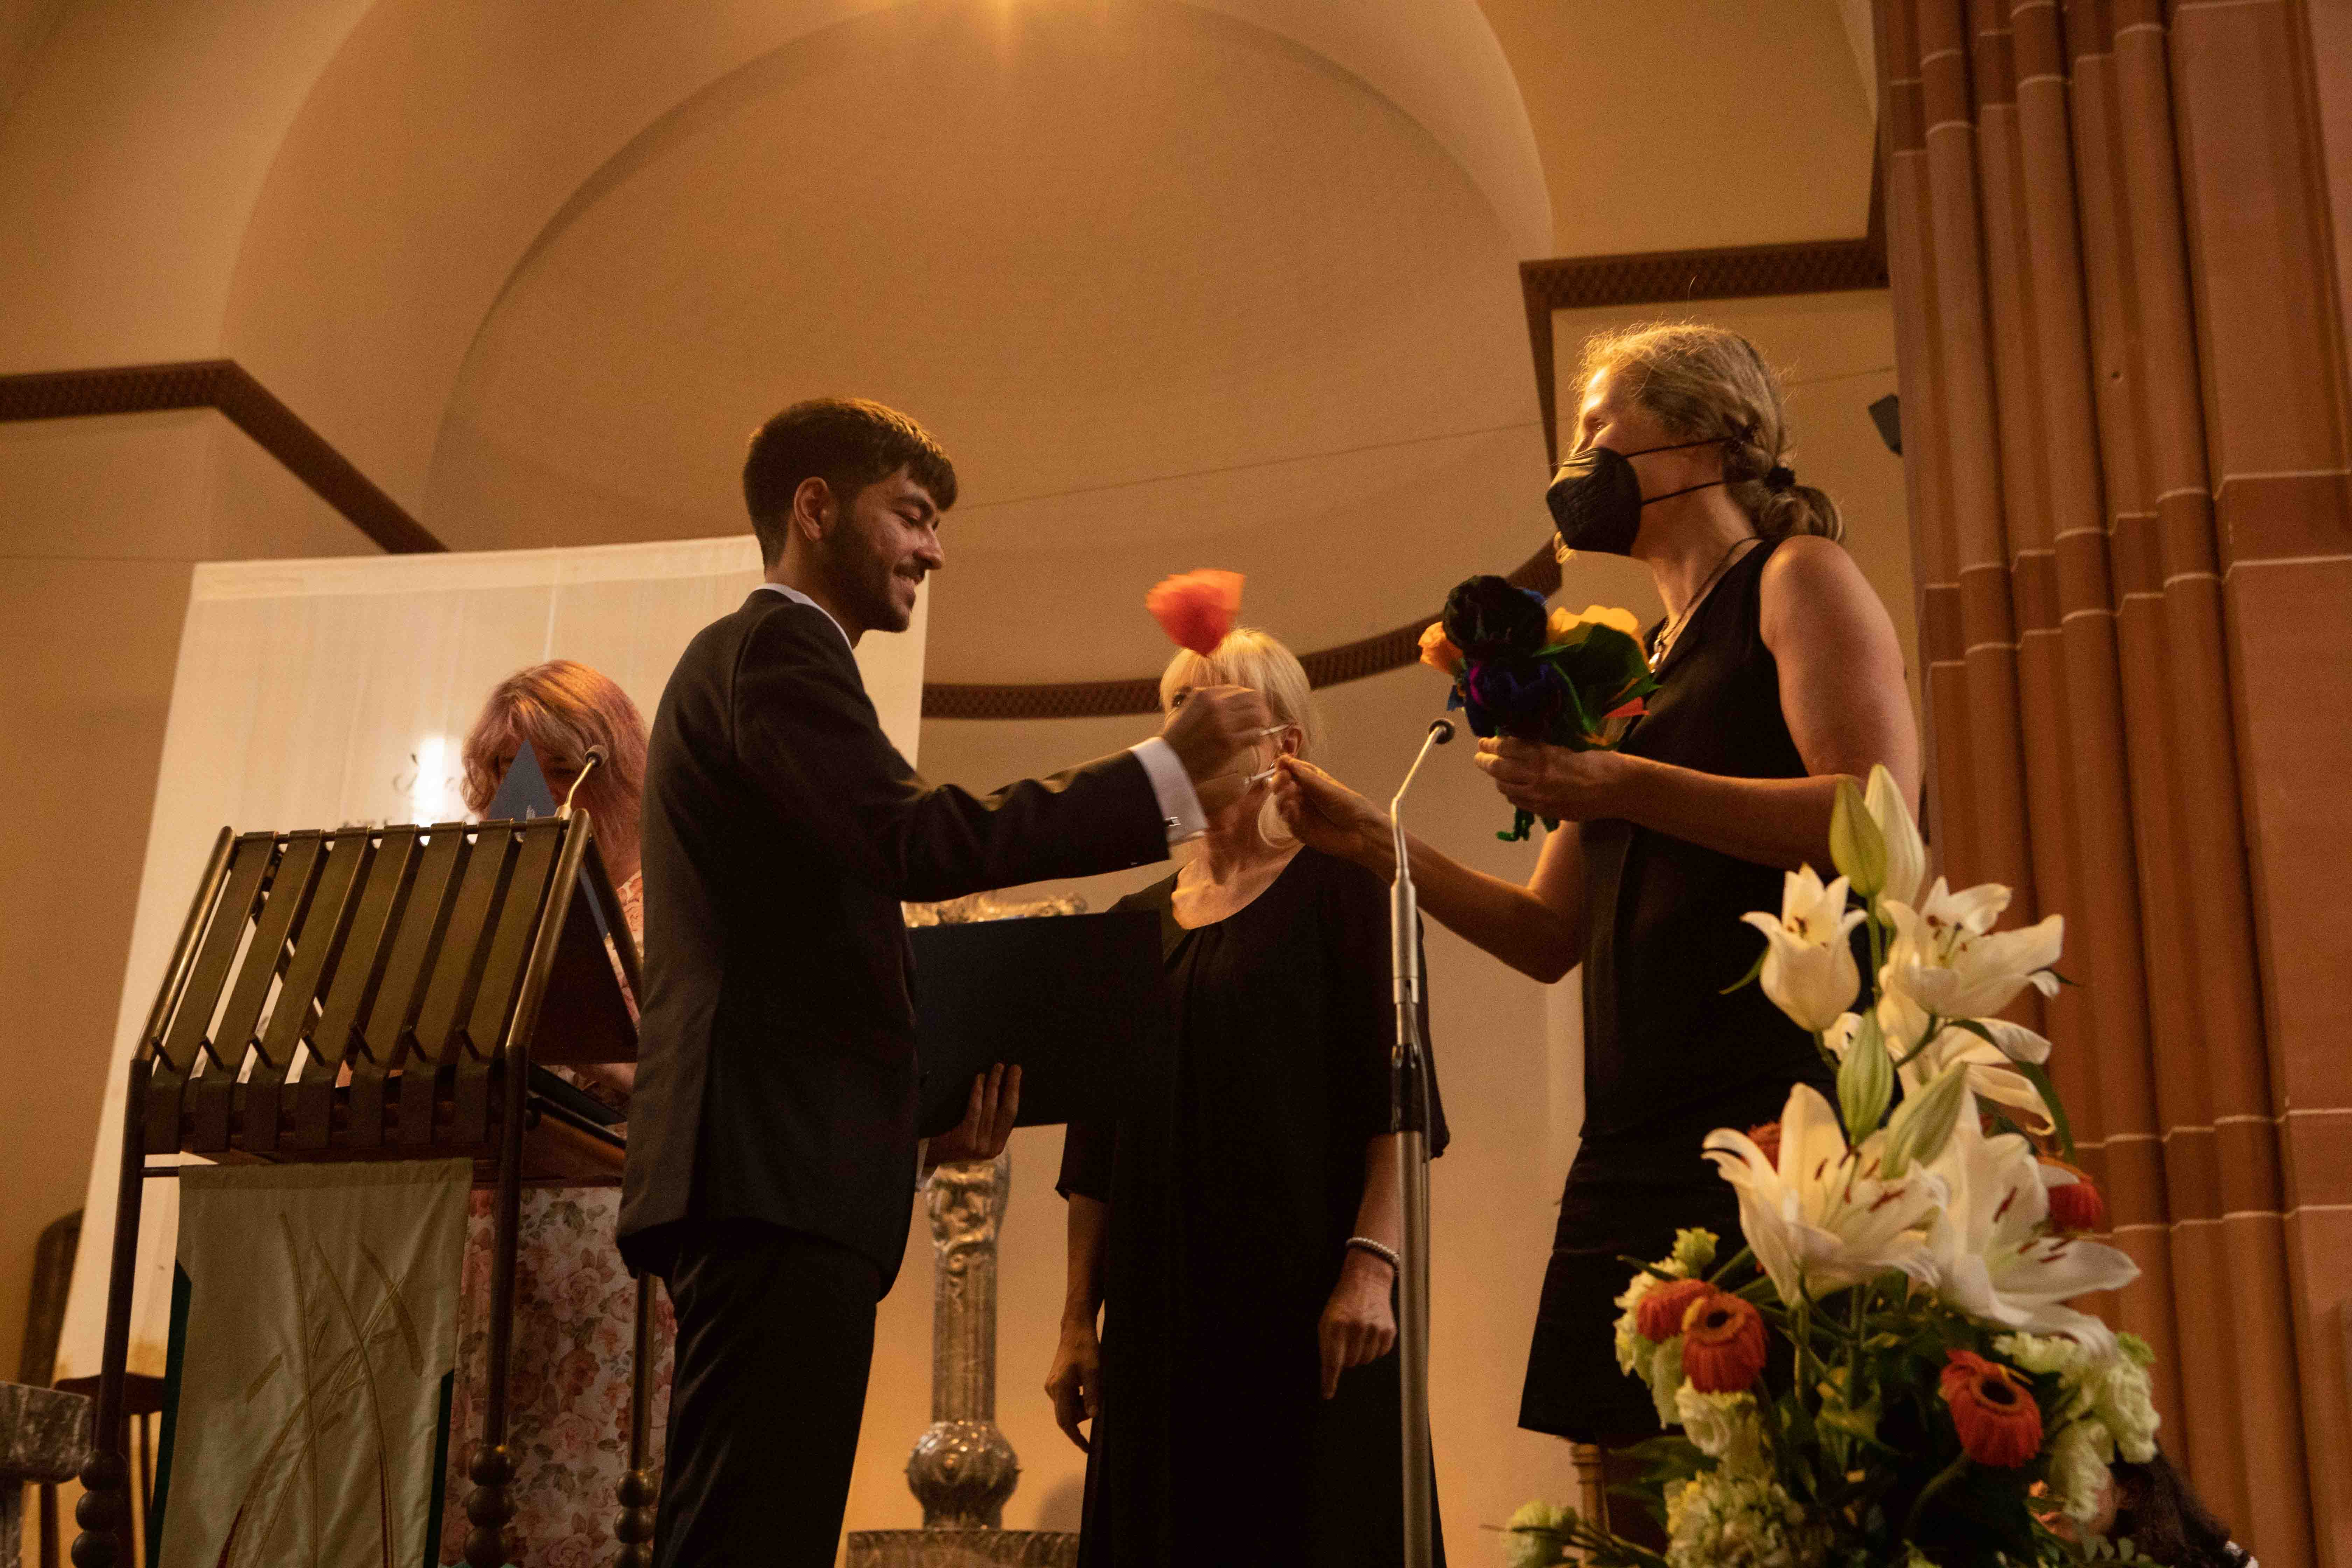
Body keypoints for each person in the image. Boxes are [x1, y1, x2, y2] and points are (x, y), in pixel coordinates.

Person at [616, 397, 1270, 1566]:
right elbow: (915, 841)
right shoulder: (779, 649)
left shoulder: (775, 665)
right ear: (816, 509)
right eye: (913, 516)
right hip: (770, 1180)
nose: (935, 551)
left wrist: (913, 1116)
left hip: (785, 1172)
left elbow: (800, 945)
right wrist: (1161, 778)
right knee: (744, 1542)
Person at [1276, 324, 1919, 1480]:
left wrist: (1617, 782)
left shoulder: (1793, 577)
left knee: (1777, 1474)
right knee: (1623, 1475)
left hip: (1778, 1110)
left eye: (1600, 428)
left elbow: (1875, 813)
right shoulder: (1638, 665)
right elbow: (1546, 934)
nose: (1576, 460)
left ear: (1709, 437)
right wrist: (1376, 842)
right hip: (1637, 1127)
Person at [1046, 630, 1447, 1568]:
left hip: (1311, 1312)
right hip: (1155, 1320)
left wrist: (1372, 1270)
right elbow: (1094, 1155)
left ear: (1285, 746)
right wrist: (1074, 1323)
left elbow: (1399, 1107)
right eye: (1177, 711)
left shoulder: (1351, 891)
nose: (1189, 732)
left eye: (1219, 711)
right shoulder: (1130, 924)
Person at [440, 659, 673, 1567]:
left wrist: (600, 1049)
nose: (523, 790)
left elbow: (709, 1090)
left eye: (550, 766)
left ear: (614, 772)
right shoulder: (483, 903)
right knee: (469, 1510)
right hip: (480, 1243)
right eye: (502, 768)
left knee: (581, 1516)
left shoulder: (678, 908)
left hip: (605, 1253)